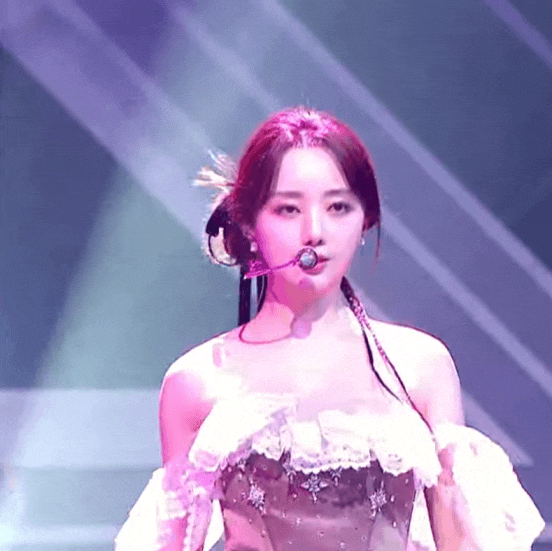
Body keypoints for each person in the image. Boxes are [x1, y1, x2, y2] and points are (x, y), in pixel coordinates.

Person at [114, 106, 544, 551]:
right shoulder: (197, 379)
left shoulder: (419, 365)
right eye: (288, 209)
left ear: (365, 221)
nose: (314, 231)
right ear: (248, 224)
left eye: (338, 207)